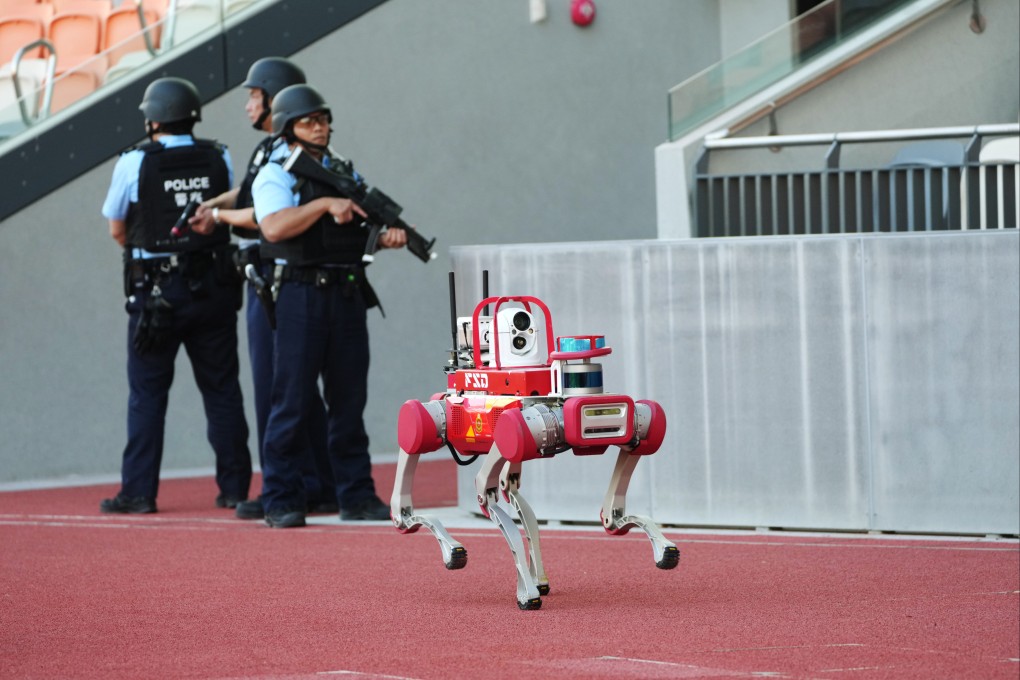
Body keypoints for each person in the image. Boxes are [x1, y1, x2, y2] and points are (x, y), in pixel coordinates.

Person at [251, 84, 405, 528]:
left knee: (349, 400)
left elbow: (362, 228)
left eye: (323, 119)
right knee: (292, 400)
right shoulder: (275, 173)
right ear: (287, 128)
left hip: (346, 291)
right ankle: (281, 497)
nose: (319, 128)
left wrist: (388, 237)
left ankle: (355, 493)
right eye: (308, 121)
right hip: (301, 294)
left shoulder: (343, 171)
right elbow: (274, 228)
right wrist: (322, 204)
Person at [190, 57, 337, 520]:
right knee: (291, 388)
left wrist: (216, 218)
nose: (249, 105)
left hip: (279, 278)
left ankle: (295, 484)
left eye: (255, 96)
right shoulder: (270, 150)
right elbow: (247, 194)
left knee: (279, 387)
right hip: (272, 277)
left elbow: (261, 216)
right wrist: (213, 203)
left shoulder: (286, 154)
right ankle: (312, 482)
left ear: (276, 99)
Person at [99, 76, 252, 513]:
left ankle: (139, 493)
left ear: (152, 121)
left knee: (147, 394)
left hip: (156, 296)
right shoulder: (218, 153)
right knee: (223, 390)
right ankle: (236, 489)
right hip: (214, 290)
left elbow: (117, 229)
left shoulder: (133, 162)